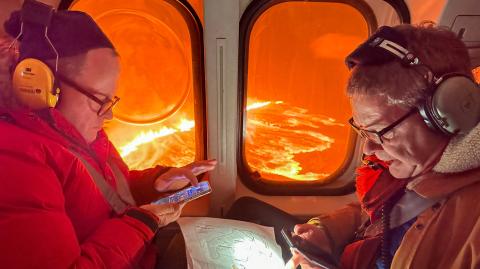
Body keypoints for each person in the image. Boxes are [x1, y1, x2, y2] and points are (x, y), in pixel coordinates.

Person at [229, 23, 480, 269]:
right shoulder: (411, 173)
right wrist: (325, 232)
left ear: (448, 113)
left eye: (381, 132)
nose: (368, 149)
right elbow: (378, 214)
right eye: (363, 131)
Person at [0, 4, 216, 269]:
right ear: (39, 87)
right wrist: (143, 222)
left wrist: (155, 184)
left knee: (250, 212)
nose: (109, 116)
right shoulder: (15, 163)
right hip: (135, 253)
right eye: (99, 100)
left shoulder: (77, 133)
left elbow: (106, 190)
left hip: (139, 253)